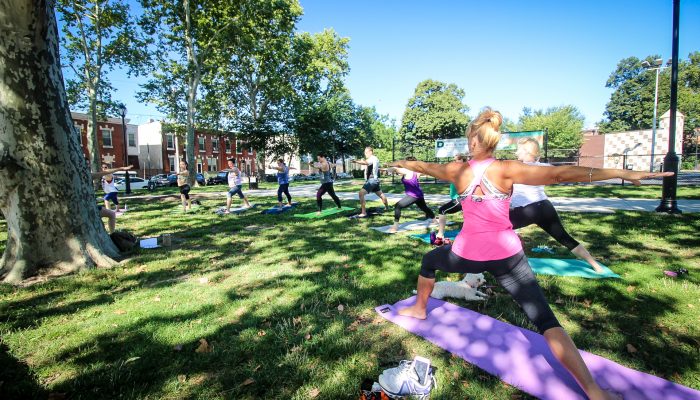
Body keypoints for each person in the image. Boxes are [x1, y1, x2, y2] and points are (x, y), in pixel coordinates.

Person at [388, 108, 671, 400]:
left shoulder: (455, 170)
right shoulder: (507, 169)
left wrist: (400, 162)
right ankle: (595, 392)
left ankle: (420, 308)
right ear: (493, 143)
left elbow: (420, 165)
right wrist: (622, 173)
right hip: (507, 257)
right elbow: (561, 174)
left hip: (467, 255)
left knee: (429, 261)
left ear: (472, 141)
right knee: (546, 321)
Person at [511, 138, 604, 273]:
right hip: (544, 207)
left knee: (495, 228)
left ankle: (499, 262)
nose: (516, 152)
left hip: (528, 210)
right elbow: (570, 173)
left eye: (518, 149)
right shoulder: (545, 167)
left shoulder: (516, 168)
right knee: (565, 238)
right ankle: (596, 265)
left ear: (526, 151)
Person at [382, 157, 436, 233]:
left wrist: (390, 168)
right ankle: (435, 220)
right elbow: (396, 169)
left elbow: (395, 169)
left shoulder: (408, 171)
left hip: (414, 195)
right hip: (418, 194)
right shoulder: (415, 171)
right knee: (424, 208)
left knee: (398, 206)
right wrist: (387, 168)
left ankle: (395, 226)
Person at [433, 153, 469, 245]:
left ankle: (440, 235)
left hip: (460, 199)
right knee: (467, 216)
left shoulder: (463, 170)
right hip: (460, 198)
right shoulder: (458, 170)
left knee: (442, 210)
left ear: (463, 161)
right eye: (454, 159)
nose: (455, 161)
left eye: (457, 159)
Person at [92, 165, 133, 232]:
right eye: (103, 167)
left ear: (108, 168)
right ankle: (117, 209)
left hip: (112, 191)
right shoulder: (104, 175)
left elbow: (108, 175)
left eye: (106, 167)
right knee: (115, 201)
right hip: (112, 191)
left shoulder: (108, 175)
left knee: (106, 198)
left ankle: (109, 210)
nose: (104, 168)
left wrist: (120, 168)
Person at [354, 147, 389, 217]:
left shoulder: (373, 158)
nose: (365, 154)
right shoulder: (373, 158)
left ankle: (363, 213)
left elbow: (365, 162)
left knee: (361, 193)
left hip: (372, 180)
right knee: (381, 194)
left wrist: (356, 161)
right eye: (364, 152)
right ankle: (387, 208)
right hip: (374, 180)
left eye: (366, 152)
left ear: (371, 152)